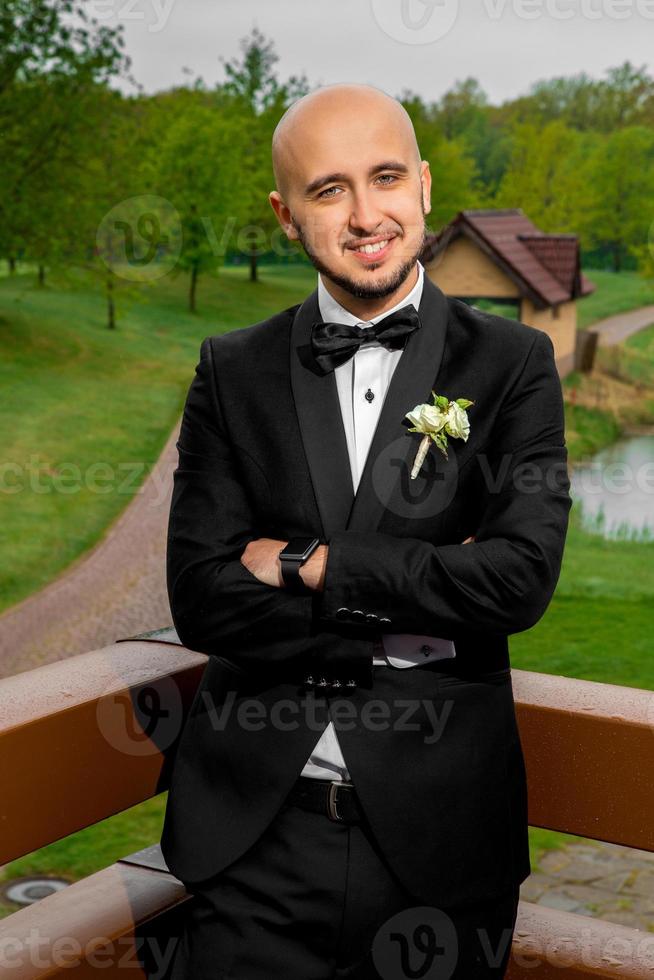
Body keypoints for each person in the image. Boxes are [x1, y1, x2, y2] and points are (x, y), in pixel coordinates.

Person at [160, 82, 572, 979]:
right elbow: (200, 596)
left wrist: (311, 563)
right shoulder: (232, 372)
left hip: (442, 856)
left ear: (424, 184)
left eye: (385, 177)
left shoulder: (513, 367)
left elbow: (518, 579)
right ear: (285, 213)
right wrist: (425, 591)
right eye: (327, 188)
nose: (363, 214)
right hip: (253, 851)